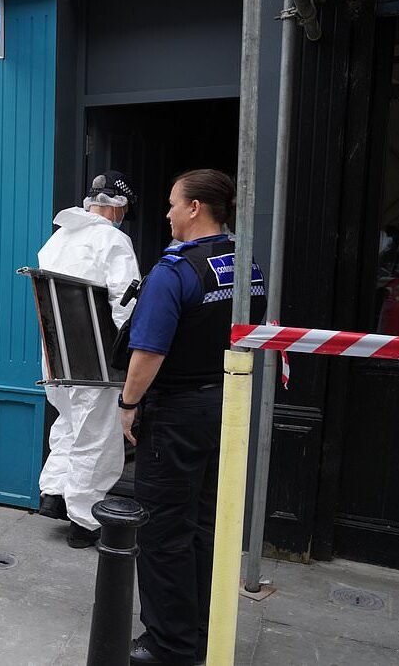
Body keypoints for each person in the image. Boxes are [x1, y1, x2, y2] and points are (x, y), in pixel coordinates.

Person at [118, 169, 265, 665]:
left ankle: (168, 644)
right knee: (206, 523)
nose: (167, 213)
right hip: (226, 406)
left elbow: (148, 351)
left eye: (173, 204)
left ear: (196, 208)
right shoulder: (247, 265)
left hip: (176, 412)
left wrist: (128, 404)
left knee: (161, 531)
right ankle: (203, 630)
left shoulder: (174, 270)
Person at [35, 171, 141, 548]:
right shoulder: (113, 240)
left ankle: (54, 494)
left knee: (68, 423)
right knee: (97, 436)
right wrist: (131, 359)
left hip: (56, 353)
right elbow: (125, 302)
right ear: (120, 207)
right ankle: (85, 522)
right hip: (96, 356)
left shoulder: (58, 238)